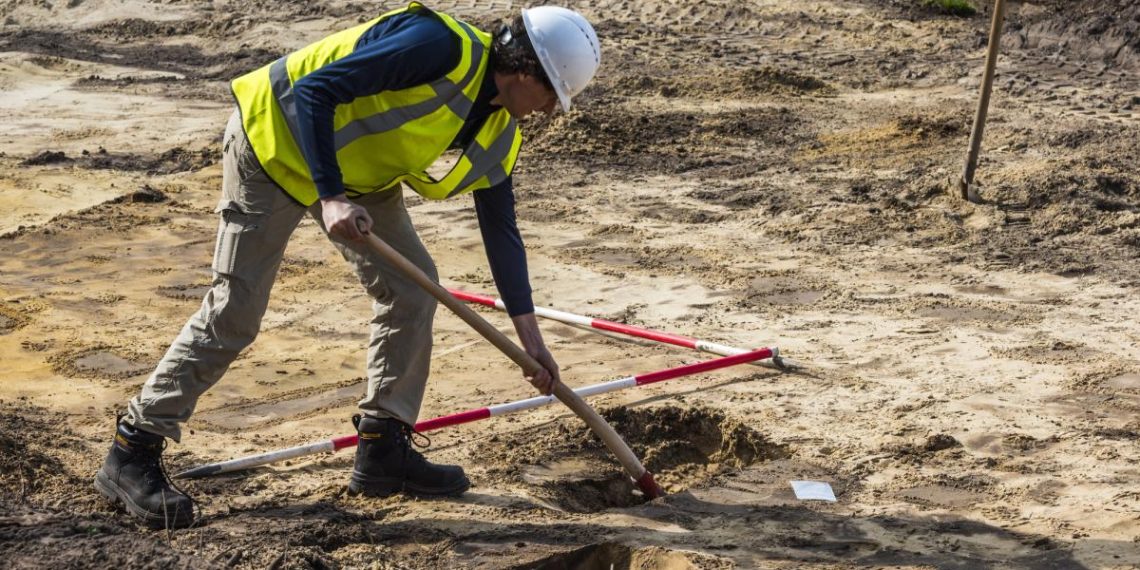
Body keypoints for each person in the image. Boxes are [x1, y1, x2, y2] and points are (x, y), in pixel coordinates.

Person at [94, 2, 601, 529]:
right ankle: (133, 448)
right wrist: (330, 196)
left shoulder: (500, 130)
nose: (549, 111)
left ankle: (383, 446)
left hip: (356, 175)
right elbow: (315, 89)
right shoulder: (437, 46)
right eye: (552, 96)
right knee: (235, 312)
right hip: (276, 143)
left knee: (412, 288)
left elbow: (502, 230)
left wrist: (530, 338)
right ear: (524, 72)